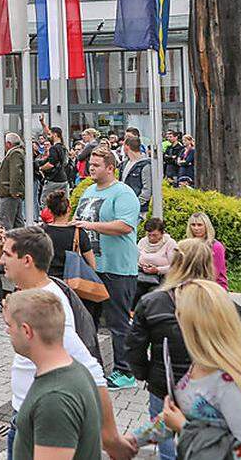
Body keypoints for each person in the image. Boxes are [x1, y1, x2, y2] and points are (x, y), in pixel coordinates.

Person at [0, 226, 134, 460]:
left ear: (27, 260)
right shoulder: (33, 295)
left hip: (41, 422)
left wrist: (111, 438)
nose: (1, 259)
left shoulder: (50, 301)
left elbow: (90, 368)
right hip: (25, 415)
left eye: (7, 254)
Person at [126, 238, 241, 460]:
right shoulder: (197, 373)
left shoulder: (230, 384)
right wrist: (132, 440)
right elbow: (179, 416)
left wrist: (184, 429)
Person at [72, 147, 143, 390]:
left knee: (118, 321)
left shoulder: (124, 193)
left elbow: (124, 226)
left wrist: (90, 224)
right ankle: (90, 367)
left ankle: (126, 371)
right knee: (86, 319)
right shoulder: (88, 191)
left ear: (110, 168)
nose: (90, 169)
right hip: (92, 267)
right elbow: (79, 221)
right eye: (90, 165)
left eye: (96, 165)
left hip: (117, 268)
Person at [4, 289, 103, 460]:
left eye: (9, 325)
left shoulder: (54, 399)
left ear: (27, 331)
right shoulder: (74, 370)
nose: (7, 331)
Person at [40, 189, 95, 279]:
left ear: (49, 211)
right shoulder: (78, 232)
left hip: (45, 280)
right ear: (69, 209)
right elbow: (92, 264)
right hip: (70, 281)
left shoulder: (40, 231)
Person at [135, 217, 177, 304]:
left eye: (155, 235)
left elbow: (175, 266)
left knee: (154, 294)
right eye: (149, 235)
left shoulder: (170, 243)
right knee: (134, 291)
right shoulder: (142, 242)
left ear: (162, 233)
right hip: (142, 276)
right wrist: (142, 266)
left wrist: (158, 270)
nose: (151, 238)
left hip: (163, 278)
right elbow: (136, 259)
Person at [186, 212, 226, 289]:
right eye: (193, 225)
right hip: (192, 283)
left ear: (206, 226)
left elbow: (214, 274)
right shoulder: (188, 245)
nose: (196, 228)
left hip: (214, 286)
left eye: (199, 225)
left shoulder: (216, 247)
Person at [36, 123, 70, 208]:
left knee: (46, 201)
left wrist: (41, 168)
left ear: (55, 135)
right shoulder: (63, 147)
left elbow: (51, 164)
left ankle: (48, 220)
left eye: (50, 134)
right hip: (63, 179)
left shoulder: (54, 148)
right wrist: (43, 123)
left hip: (54, 180)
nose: (48, 137)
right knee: (62, 203)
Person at [0, 133, 26, 229]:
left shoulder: (15, 153)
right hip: (12, 193)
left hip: (9, 193)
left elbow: (15, 172)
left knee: (6, 222)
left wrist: (13, 191)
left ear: (9, 144)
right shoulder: (16, 152)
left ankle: (8, 242)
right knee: (18, 222)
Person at [120, 134, 153, 215]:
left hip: (139, 209)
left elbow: (147, 190)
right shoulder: (124, 164)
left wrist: (136, 204)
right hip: (125, 206)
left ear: (127, 147)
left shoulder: (145, 165)